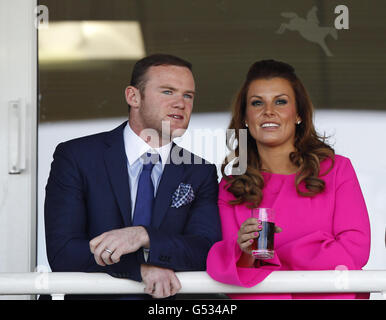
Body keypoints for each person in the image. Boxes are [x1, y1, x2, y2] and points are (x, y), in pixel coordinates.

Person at [44, 54, 221, 300]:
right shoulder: (76, 156)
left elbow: (206, 251)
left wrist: (144, 236)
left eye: (188, 95)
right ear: (133, 96)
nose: (181, 103)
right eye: (168, 92)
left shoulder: (200, 171)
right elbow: (63, 252)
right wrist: (139, 269)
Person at [206, 59, 371, 299]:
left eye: (280, 101)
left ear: (299, 115)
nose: (268, 111)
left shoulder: (336, 170)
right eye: (257, 103)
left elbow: (355, 251)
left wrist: (275, 257)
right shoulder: (231, 187)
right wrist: (245, 252)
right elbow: (236, 269)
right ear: (244, 117)